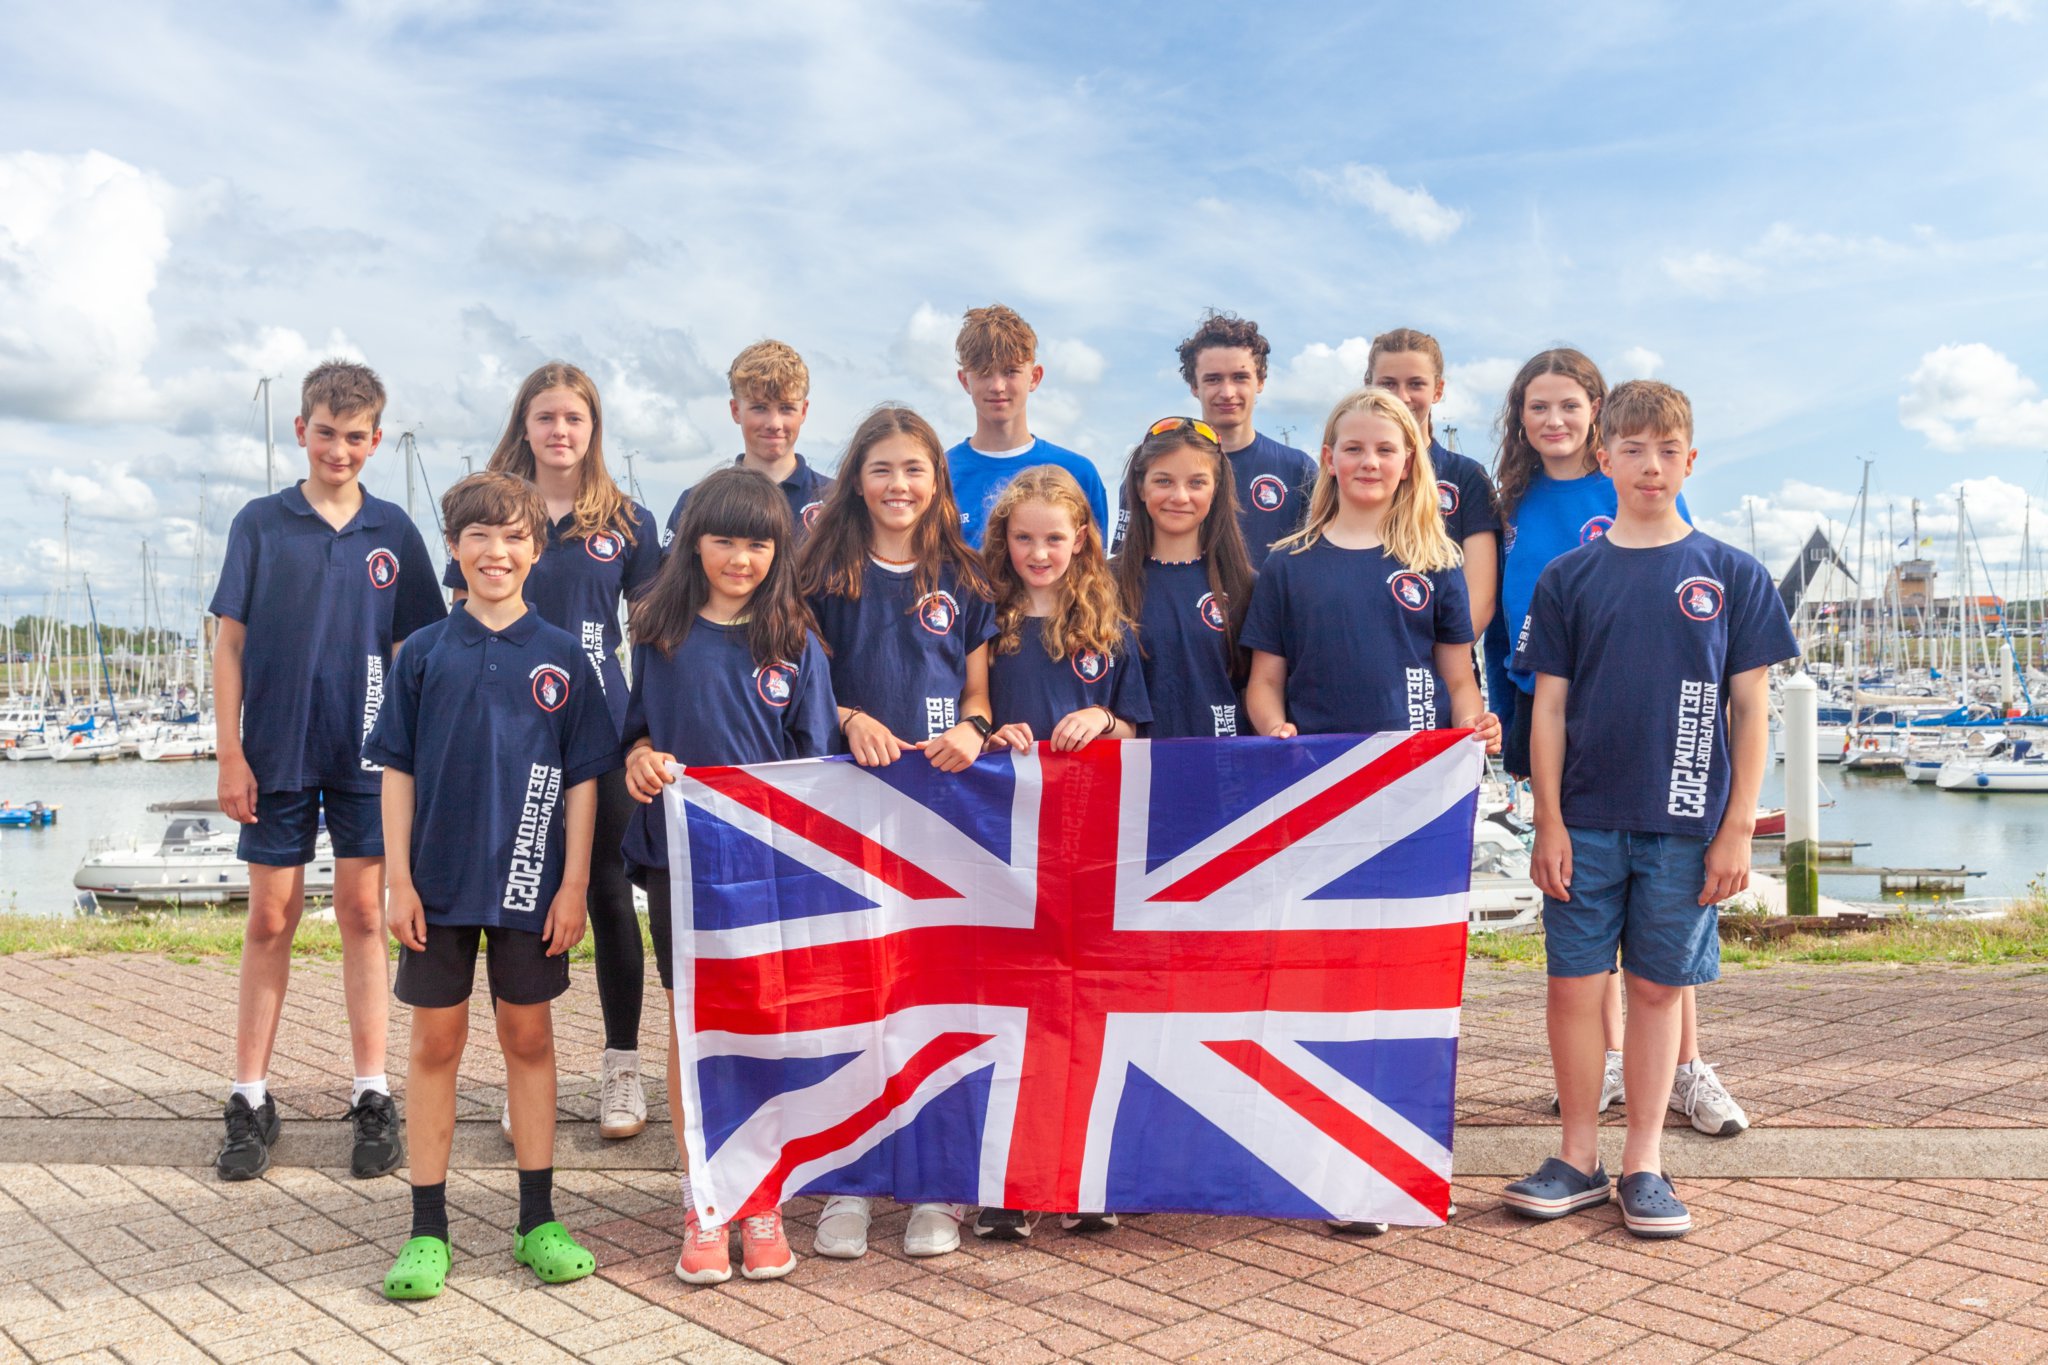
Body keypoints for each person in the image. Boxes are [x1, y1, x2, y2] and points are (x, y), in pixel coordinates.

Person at [1503, 380, 1797, 1240]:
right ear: (1605, 458)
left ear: (1690, 460)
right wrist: (1548, 819)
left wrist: (1738, 825)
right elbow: (1547, 708)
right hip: (1585, 820)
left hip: (1685, 824)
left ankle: (1644, 1163)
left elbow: (1751, 710)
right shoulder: (1568, 576)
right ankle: (1577, 1158)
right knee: (1572, 982)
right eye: (1632, 449)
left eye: (1667, 450)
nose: (1650, 465)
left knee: (1659, 988)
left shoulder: (1732, 574)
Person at [371, 473, 619, 1299]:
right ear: (453, 547)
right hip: (437, 884)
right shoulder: (424, 654)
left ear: (536, 549)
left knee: (529, 1038)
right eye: (478, 535)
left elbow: (582, 778)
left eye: (513, 535)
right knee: (435, 1043)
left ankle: (536, 1218)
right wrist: (398, 879)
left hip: (531, 883)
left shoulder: (563, 655)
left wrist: (573, 883)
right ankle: (427, 1228)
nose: (496, 551)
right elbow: (397, 773)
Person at [1491, 351, 1741, 1137]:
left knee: (1662, 927)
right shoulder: (1510, 500)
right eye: (1538, 406)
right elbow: (1496, 618)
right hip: (1551, 702)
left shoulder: (1638, 477)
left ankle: (1685, 1068)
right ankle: (1603, 1064)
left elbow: (1688, 594)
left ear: (1596, 415)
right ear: (1519, 417)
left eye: (1569, 404)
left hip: (1650, 718)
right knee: (1584, 915)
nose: (1553, 420)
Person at [208, 359, 445, 1183]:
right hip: (275, 749)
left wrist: (414, 753)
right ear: (300, 430)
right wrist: (230, 750)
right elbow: (230, 643)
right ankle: (249, 1096)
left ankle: (372, 1090)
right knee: (270, 916)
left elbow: (415, 649)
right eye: (324, 433)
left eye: (354, 436)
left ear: (375, 440)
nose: (338, 449)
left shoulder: (395, 532)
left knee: (362, 912)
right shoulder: (260, 523)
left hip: (365, 756)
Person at [621, 468, 838, 1285]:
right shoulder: (659, 634)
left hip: (769, 872)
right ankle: (703, 1196)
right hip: (680, 862)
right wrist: (642, 759)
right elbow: (635, 735)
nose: (740, 558)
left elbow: (818, 767)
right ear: (692, 544)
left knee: (766, 1024)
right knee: (693, 1025)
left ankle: (762, 1195)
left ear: (779, 550)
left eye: (757, 543)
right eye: (723, 541)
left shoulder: (795, 641)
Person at [796, 405, 996, 1260]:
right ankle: (849, 1178)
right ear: (856, 479)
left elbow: (980, 692)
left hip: (944, 813)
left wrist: (975, 730)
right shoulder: (820, 572)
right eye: (881, 468)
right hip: (850, 809)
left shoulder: (967, 575)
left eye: (914, 468)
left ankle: (935, 1183)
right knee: (858, 990)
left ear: (936, 481)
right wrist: (847, 717)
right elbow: (796, 683)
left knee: (938, 992)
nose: (898, 484)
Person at [453, 362, 661, 1143]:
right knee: (516, 900)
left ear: (593, 428)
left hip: (601, 731)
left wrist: (653, 729)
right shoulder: (493, 510)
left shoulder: (628, 521)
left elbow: (657, 633)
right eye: (546, 417)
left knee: (608, 895)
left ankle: (621, 1066)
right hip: (511, 733)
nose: (560, 431)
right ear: (525, 424)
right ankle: (525, 1070)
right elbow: (462, 624)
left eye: (574, 417)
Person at [975, 464, 1150, 1241]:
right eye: (1023, 538)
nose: (1039, 552)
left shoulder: (1112, 631)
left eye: (1053, 537)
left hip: (1089, 849)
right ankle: (1009, 1181)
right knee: (1015, 1007)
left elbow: (1136, 730)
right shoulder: (986, 624)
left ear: (1081, 539)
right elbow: (970, 716)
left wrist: (1103, 721)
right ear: (1004, 540)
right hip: (1006, 849)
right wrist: (994, 733)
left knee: (1083, 1007)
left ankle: (1084, 1172)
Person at [1241, 387, 1502, 751]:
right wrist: (1274, 728)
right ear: (1329, 460)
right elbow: (1265, 682)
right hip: (1318, 769)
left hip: (1415, 766)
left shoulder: (1437, 561)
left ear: (1407, 464)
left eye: (1385, 450)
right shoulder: (1286, 564)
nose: (1370, 462)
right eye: (1353, 449)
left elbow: (1459, 682)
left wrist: (1472, 724)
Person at [1112, 417, 1255, 738]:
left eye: (1196, 483)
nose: (1179, 496)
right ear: (1141, 487)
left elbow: (1262, 689)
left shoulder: (1245, 585)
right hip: (1136, 765)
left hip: (1223, 761)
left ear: (1216, 490)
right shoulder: (1102, 584)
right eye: (1163, 481)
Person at [1366, 328, 1500, 639]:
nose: (1401, 397)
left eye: (1416, 384)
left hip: (1442, 660)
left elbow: (1480, 598)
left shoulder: (1467, 477)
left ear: (1438, 390)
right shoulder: (1352, 473)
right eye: (1388, 384)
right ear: (1368, 385)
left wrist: (1439, 660)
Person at [1155, 311, 1315, 570]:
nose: (1227, 393)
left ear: (1260, 381)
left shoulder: (1299, 469)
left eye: (1240, 377)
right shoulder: (1158, 467)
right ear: (1194, 386)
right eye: (1213, 379)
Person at [944, 304, 1109, 542]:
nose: (997, 386)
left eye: (1010, 371)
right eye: (984, 372)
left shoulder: (1079, 473)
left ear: (1034, 377)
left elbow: (1094, 563)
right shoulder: (939, 475)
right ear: (964, 381)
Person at [667, 340, 833, 545]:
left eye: (786, 408)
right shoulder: (695, 502)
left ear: (804, 411)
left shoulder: (837, 501)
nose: (774, 424)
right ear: (736, 410)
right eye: (760, 408)